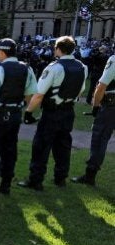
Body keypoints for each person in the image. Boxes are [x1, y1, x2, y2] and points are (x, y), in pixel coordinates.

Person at [19, 36, 87, 190]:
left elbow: (39, 94)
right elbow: (81, 90)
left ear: (58, 49)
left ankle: (36, 180)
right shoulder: (82, 67)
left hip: (52, 113)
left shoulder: (54, 67)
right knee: (63, 146)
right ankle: (60, 178)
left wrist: (29, 112)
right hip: (68, 111)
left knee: (41, 146)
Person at [0, 38, 37, 196]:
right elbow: (29, 95)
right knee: (9, 149)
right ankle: (5, 185)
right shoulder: (27, 69)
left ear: (2, 51)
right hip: (15, 115)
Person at [71, 51, 115, 186]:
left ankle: (90, 175)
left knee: (99, 139)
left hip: (111, 106)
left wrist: (96, 106)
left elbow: (101, 86)